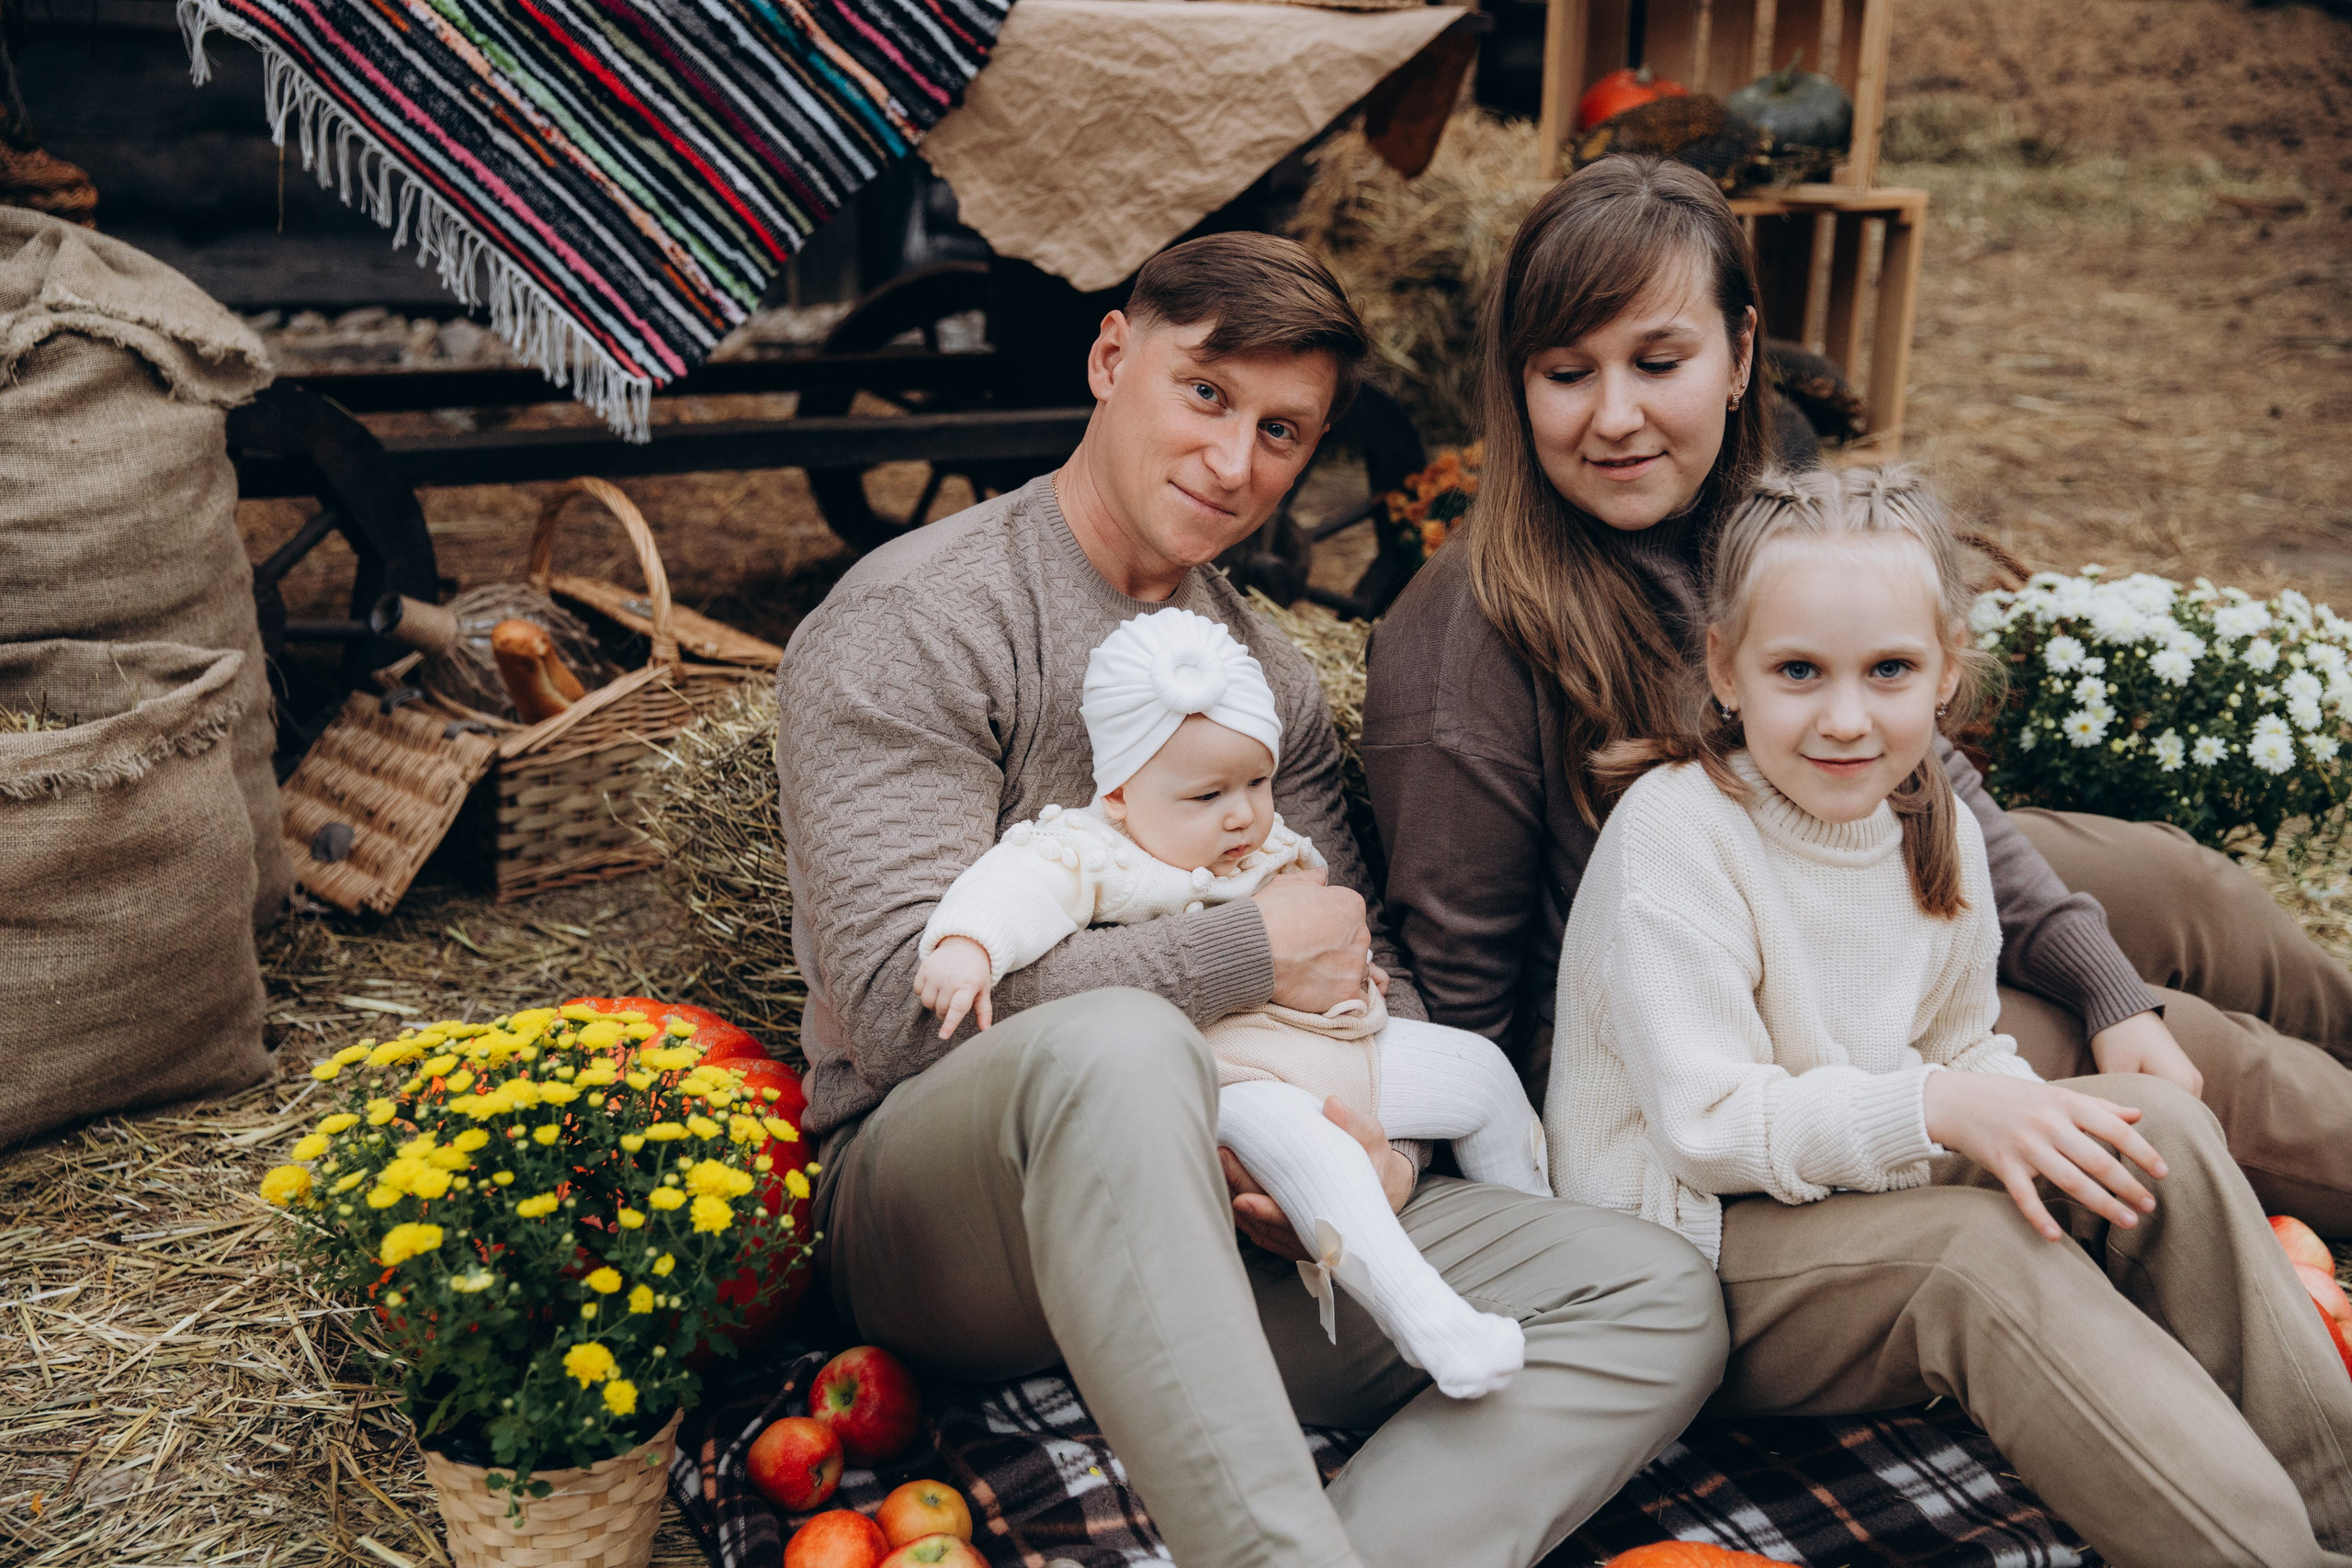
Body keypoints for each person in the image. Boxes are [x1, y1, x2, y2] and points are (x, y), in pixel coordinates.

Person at [776, 231, 1726, 1568]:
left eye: (1283, 431)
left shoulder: (1263, 673)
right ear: (1113, 357)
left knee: (1656, 1295)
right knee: (1118, 1046)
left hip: (1238, 1179)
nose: (1235, 462)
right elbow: (894, 1013)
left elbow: (1348, 955)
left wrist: (1377, 1152)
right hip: (942, 1210)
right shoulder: (923, 618)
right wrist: (1237, 952)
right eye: (1206, 395)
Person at [1362, 153, 2352, 1233]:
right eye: (1566, 373)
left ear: (1741, 354)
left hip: (1853, 888)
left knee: (2176, 887)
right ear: (1514, 381)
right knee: (2191, 1053)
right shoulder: (1466, 638)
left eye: (1658, 362)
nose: (1615, 416)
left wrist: (2113, 989)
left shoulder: (1748, 514)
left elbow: (1925, 776)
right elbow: (1468, 1006)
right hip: (1720, 1028)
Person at [1545, 461, 2352, 1568]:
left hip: (1845, 1192)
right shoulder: (1675, 837)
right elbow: (1709, 1125)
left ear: (1945, 675)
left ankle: (2336, 1496)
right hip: (1686, 1256)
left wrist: (2022, 1131)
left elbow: (1963, 1047)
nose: (1844, 717)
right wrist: (1944, 1111)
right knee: (1974, 1259)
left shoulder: (1932, 827)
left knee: (2150, 1129)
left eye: (1888, 670)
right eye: (1797, 671)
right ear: (1724, 669)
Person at [914, 605, 1547, 1400]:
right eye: (1208, 794)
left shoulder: (1266, 843)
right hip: (1235, 1080)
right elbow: (1019, 886)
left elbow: (1340, 931)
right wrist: (970, 944)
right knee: (1318, 1158)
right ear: (1118, 793)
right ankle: (1428, 1323)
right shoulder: (1093, 850)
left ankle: (1535, 1222)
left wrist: (1357, 970)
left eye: (1256, 780)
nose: (1243, 811)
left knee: (1482, 1072)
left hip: (1339, 1045)